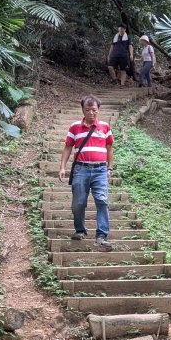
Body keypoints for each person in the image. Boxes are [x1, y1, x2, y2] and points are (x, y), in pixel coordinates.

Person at [59, 95, 115, 248]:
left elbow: (109, 149)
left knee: (102, 201)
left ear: (98, 110)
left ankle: (102, 235)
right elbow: (68, 147)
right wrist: (63, 167)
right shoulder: (75, 127)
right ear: (82, 110)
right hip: (80, 169)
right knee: (78, 203)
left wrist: (109, 168)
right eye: (87, 110)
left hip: (100, 170)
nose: (91, 113)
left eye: (94, 110)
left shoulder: (105, 127)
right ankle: (80, 230)